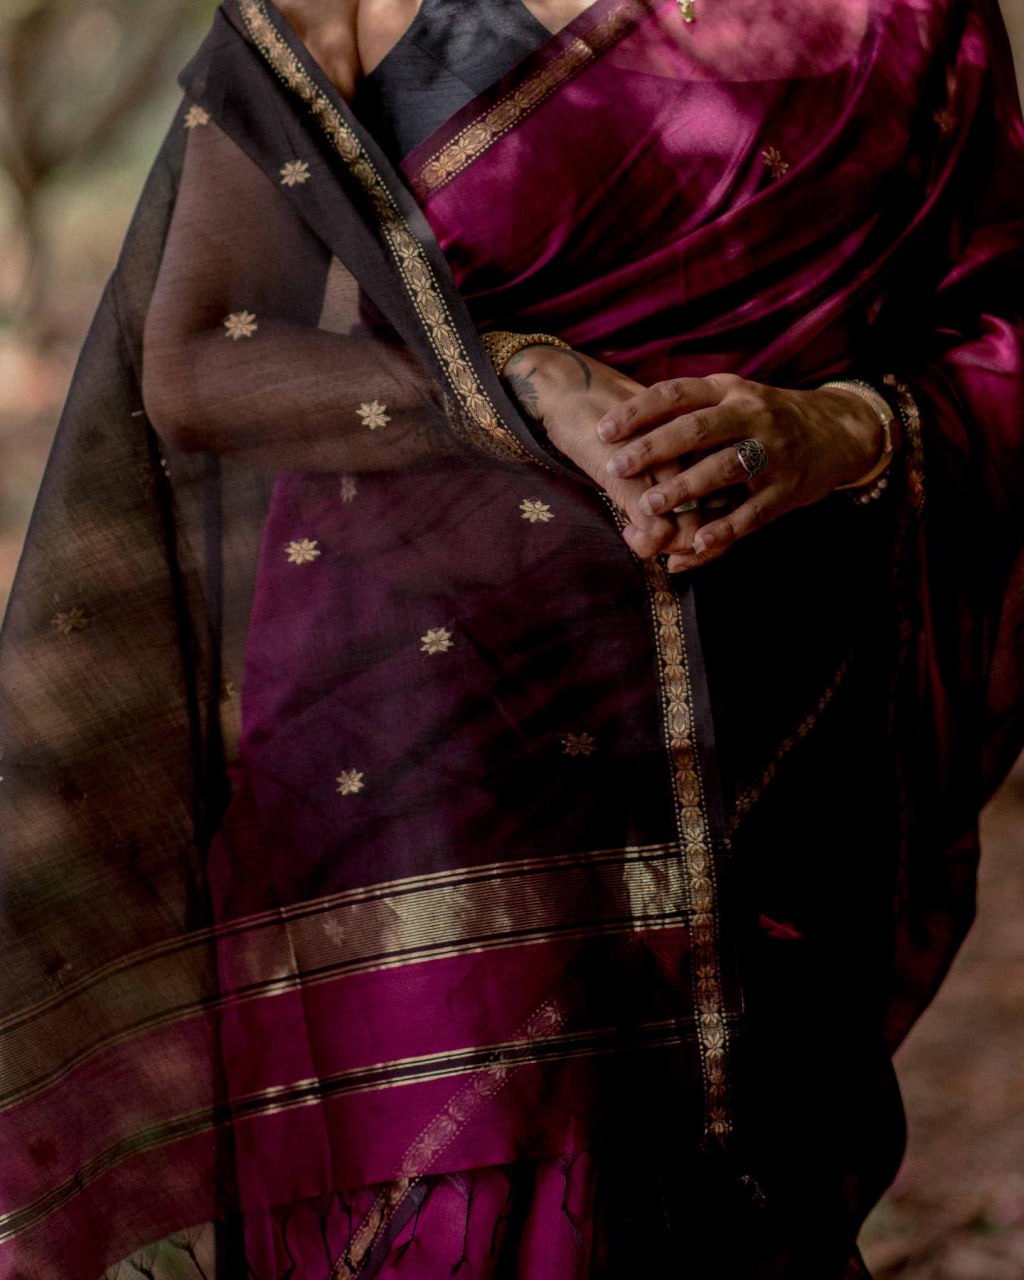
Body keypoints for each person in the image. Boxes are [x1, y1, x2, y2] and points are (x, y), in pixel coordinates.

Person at [0, 1, 1021, 1277]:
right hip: (413, 737)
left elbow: (998, 325)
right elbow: (201, 358)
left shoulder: (904, 21)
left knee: (730, 1198)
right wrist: (522, 382)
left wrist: (838, 429)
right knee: (443, 1200)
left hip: (762, 717)